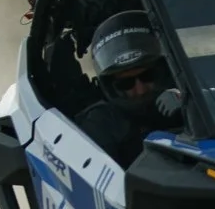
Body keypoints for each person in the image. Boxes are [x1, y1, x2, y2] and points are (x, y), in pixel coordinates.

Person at [77, 10, 184, 166]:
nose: (140, 89)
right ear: (111, 86)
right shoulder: (103, 123)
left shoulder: (185, 98)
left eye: (148, 76)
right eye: (126, 83)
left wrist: (189, 104)